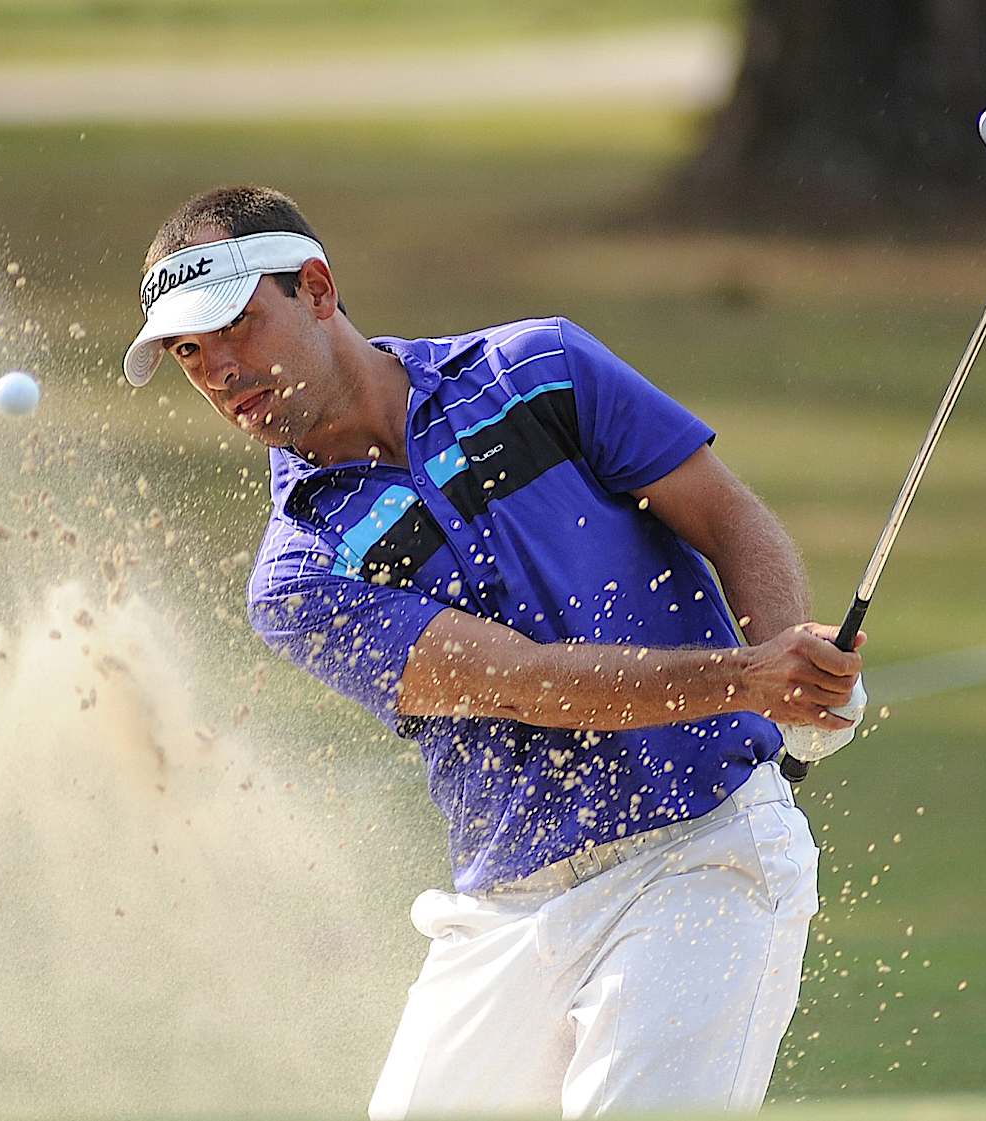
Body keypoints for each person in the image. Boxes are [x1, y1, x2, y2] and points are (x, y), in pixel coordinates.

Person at [123, 185, 867, 1115]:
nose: (221, 370)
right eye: (189, 352)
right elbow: (520, 685)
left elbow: (728, 517)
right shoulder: (299, 574)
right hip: (506, 909)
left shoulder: (538, 370)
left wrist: (792, 662)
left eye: (235, 327)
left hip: (707, 856)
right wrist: (751, 681)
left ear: (315, 288)